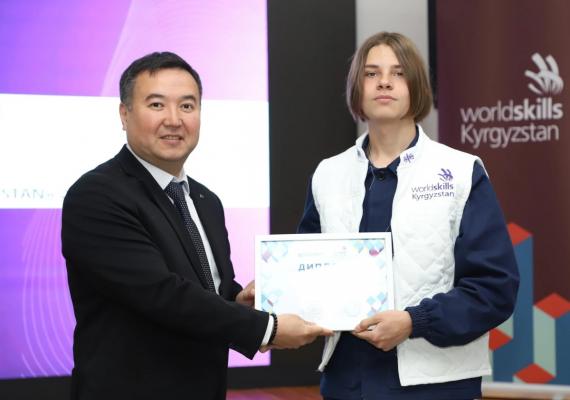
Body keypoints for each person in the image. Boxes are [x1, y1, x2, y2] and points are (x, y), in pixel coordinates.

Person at [62, 51, 331, 400]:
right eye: (157, 105)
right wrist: (268, 328)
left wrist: (237, 299)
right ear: (124, 114)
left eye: (187, 106)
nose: (174, 120)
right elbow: (162, 295)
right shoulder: (97, 195)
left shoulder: (205, 201)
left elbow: (204, 289)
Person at [298, 32, 519, 400]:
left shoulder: (462, 172)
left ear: (416, 86)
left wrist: (414, 322)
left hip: (436, 385)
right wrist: (273, 290)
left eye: (398, 73)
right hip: (347, 382)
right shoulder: (327, 174)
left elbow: (494, 288)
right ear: (356, 89)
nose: (384, 82)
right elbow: (306, 270)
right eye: (371, 73)